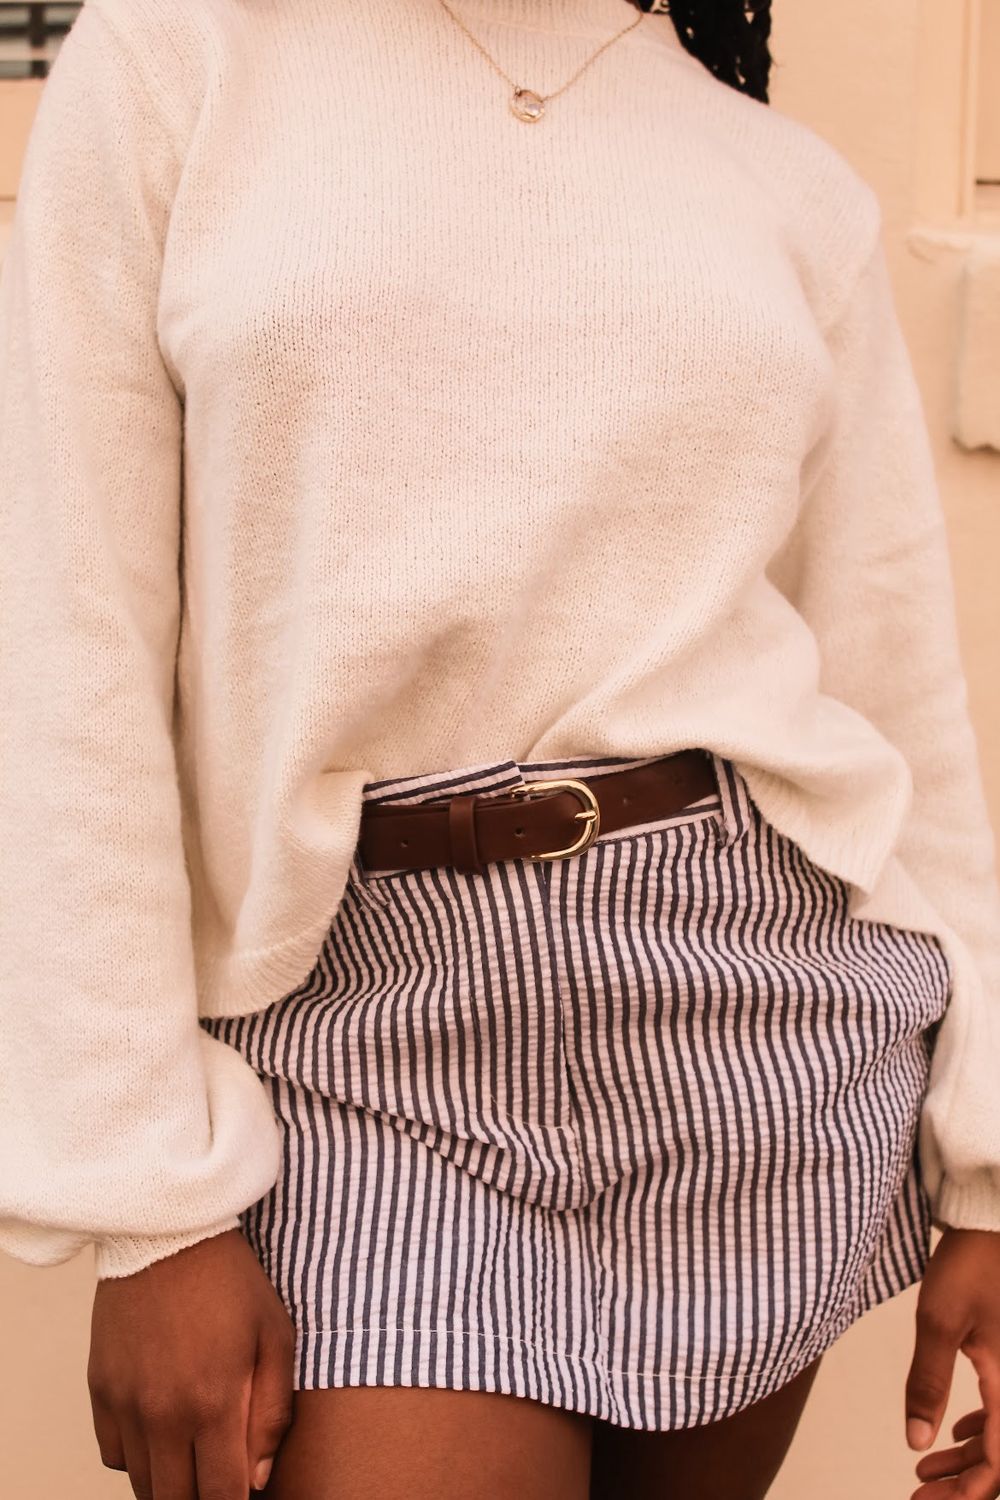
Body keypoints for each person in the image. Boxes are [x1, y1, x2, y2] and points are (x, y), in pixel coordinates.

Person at [3, 0, 1000, 1495]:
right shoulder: (178, 57)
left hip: (757, 1018)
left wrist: (989, 1168)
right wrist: (151, 1207)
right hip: (349, 1029)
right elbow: (69, 639)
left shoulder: (781, 177)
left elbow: (899, 695)